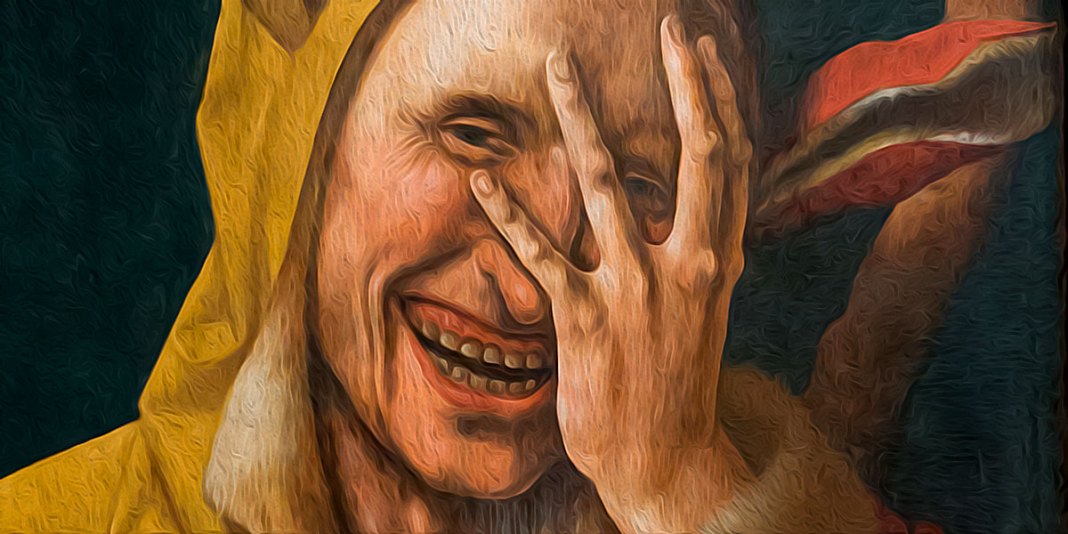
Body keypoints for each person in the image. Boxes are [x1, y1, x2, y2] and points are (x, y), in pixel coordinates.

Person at [0, 0, 1055, 532]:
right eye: (473, 133)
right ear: (300, 154)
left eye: (637, 185)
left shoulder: (740, 482)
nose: (527, 287)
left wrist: (684, 489)